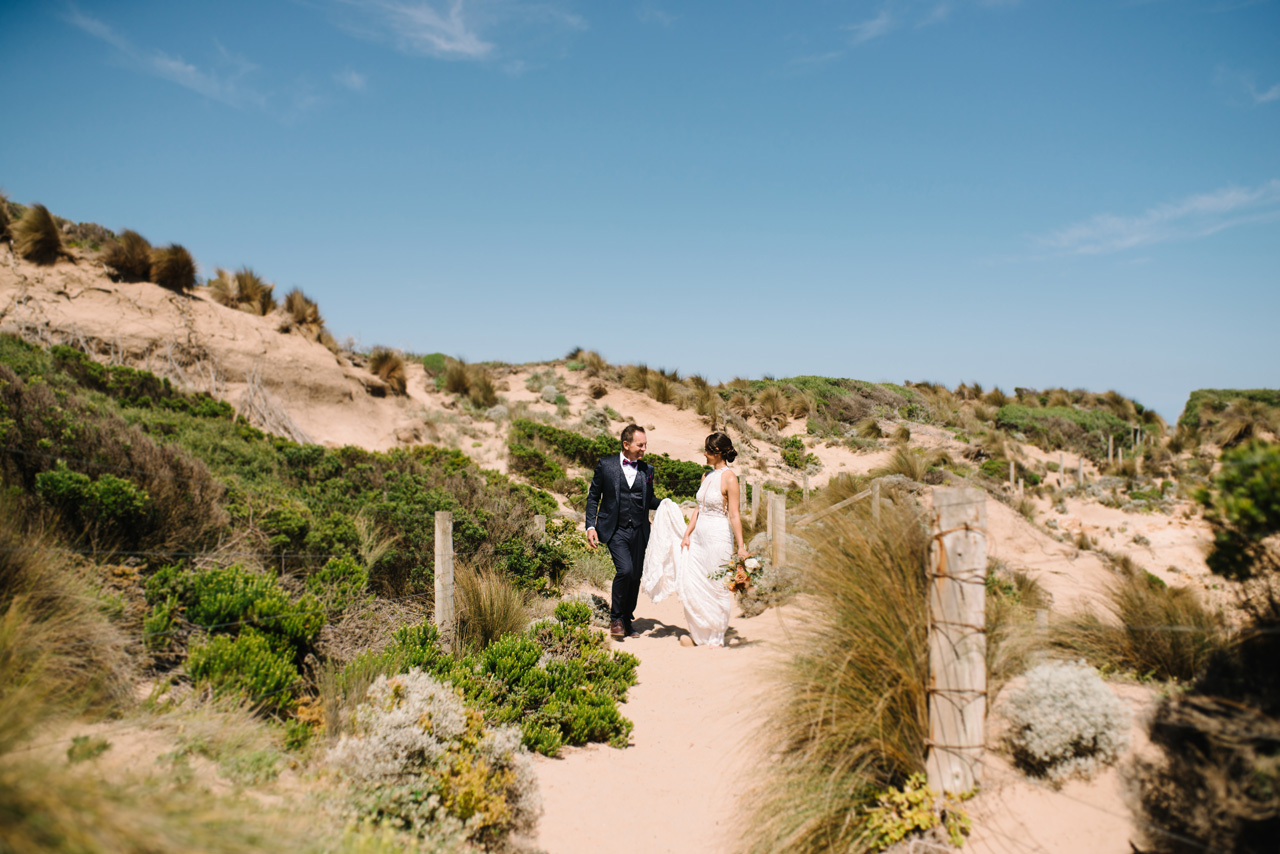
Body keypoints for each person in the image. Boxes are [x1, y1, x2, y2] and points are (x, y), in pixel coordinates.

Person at [642, 432, 748, 647]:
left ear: (718, 453)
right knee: (694, 583)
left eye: (708, 450)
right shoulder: (706, 476)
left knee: (716, 586)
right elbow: (698, 509)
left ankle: (716, 636)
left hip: (718, 536)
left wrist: (742, 547)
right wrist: (687, 535)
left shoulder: (730, 478)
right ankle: (699, 634)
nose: (705, 453)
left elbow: (734, 515)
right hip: (698, 537)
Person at [585, 423, 662, 639]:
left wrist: (666, 504)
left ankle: (627, 618)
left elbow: (649, 500)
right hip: (615, 529)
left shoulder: (648, 470)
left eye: (646, 445)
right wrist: (590, 525)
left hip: (639, 530)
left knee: (636, 576)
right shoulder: (606, 465)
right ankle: (615, 618)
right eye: (640, 445)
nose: (644, 449)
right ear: (626, 444)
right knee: (625, 570)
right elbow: (593, 497)